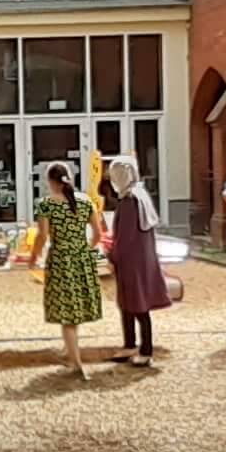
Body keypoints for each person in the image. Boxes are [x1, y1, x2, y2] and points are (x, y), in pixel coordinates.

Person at [34, 161, 104, 379]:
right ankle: (71, 350)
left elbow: (42, 236)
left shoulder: (47, 204)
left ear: (50, 181)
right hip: (82, 258)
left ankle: (76, 362)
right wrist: (84, 249)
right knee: (76, 309)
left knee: (67, 315)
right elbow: (98, 234)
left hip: (61, 260)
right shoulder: (85, 201)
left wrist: (33, 257)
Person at [104, 155, 168, 368]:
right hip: (140, 258)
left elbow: (125, 236)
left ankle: (146, 349)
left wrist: (112, 256)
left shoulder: (131, 200)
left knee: (138, 305)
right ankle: (130, 343)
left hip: (132, 261)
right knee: (129, 304)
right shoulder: (138, 196)